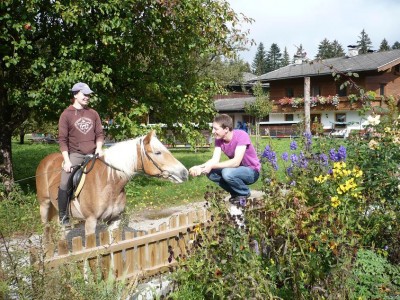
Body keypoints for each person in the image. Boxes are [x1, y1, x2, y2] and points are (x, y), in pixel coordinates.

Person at [57, 82, 104, 226]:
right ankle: (63, 215)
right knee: (65, 181)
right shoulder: (66, 115)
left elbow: (100, 134)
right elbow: (62, 140)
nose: (87, 97)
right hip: (76, 155)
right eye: (85, 94)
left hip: (94, 154)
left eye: (89, 95)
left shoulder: (93, 113)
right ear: (75, 94)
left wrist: (99, 148)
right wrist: (67, 161)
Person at [189, 114, 260, 204]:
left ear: (226, 129)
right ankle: (235, 193)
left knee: (227, 172)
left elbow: (235, 162)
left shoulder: (241, 135)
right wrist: (199, 167)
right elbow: (214, 160)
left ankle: (244, 193)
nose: (213, 131)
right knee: (211, 173)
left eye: (216, 129)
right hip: (237, 170)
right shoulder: (219, 140)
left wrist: (211, 166)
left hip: (252, 172)